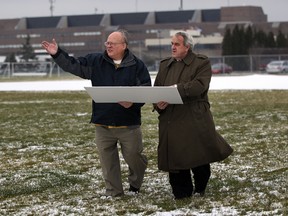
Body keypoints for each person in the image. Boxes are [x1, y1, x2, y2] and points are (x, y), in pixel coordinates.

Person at [41, 29, 151, 197]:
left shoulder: (137, 65)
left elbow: (145, 89)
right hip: (102, 123)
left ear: (124, 46)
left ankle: (135, 184)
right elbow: (74, 65)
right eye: (107, 42)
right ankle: (114, 192)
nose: (108, 45)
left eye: (112, 43)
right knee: (108, 163)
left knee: (135, 158)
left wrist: (133, 102)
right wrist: (57, 54)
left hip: (128, 124)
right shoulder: (96, 61)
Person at [153, 31, 233, 200]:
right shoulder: (165, 65)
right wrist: (158, 103)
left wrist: (174, 91)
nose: (173, 47)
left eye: (177, 44)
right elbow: (157, 89)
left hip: (194, 117)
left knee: (198, 157)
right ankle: (181, 193)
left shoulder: (201, 63)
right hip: (170, 119)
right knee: (175, 158)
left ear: (187, 47)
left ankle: (200, 187)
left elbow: (199, 86)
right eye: (172, 44)